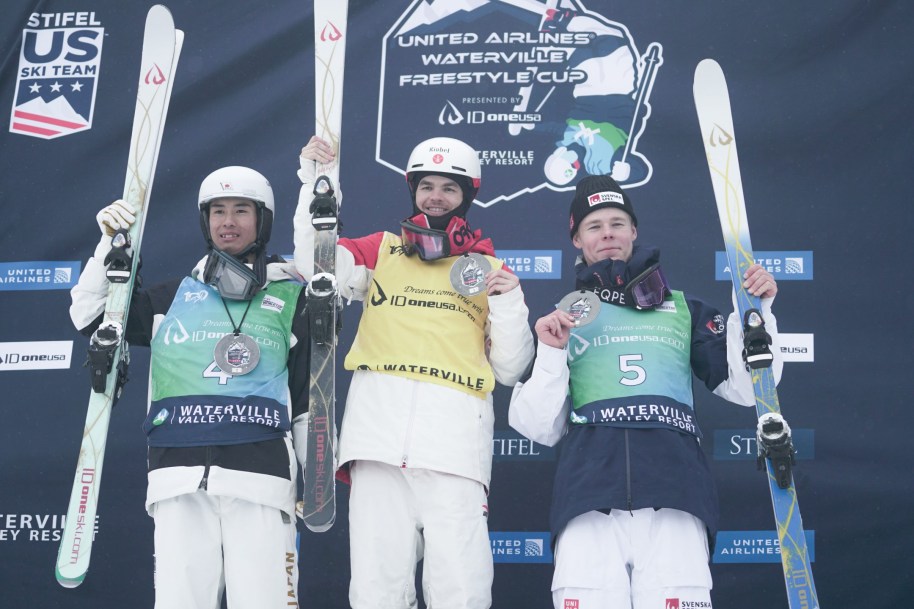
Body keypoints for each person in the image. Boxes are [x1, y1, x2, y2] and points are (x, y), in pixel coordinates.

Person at [508, 175, 783, 609]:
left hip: (675, 496)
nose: (608, 234)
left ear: (634, 231)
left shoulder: (682, 308)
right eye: (595, 226)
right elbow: (539, 427)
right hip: (588, 500)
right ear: (577, 239)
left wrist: (755, 313)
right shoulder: (562, 319)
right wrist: (550, 353)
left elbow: (748, 389)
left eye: (618, 222)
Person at [294, 136, 535, 609]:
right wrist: (315, 184)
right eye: (427, 185)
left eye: (449, 187)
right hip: (377, 444)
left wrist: (509, 301)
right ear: (413, 190)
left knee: (459, 588)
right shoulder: (381, 250)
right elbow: (315, 262)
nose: (436, 196)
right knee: (376, 588)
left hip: (455, 449)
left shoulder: (488, 268)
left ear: (468, 194)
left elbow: (511, 366)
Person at [70, 167, 309, 609]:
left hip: (260, 476)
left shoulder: (292, 298)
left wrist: (310, 479)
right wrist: (110, 243)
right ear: (205, 221)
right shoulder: (173, 297)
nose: (228, 222)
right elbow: (89, 316)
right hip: (177, 475)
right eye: (218, 211)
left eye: (241, 210)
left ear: (263, 219)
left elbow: (306, 397)